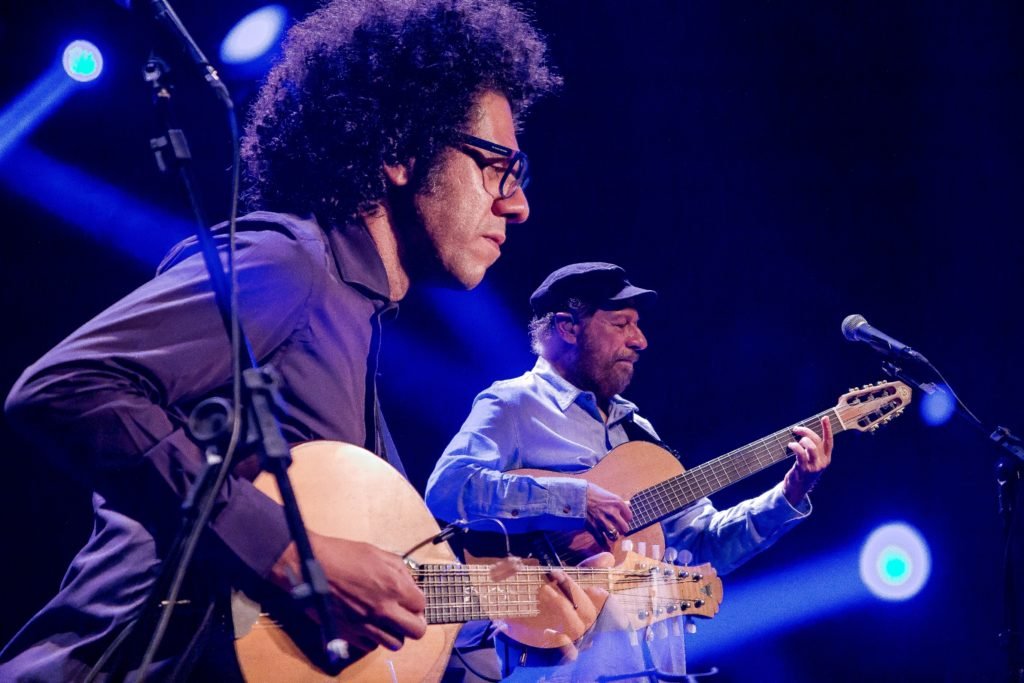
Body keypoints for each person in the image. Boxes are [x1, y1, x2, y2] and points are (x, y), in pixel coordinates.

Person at [0, 1, 562, 679]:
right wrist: (290, 552)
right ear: (399, 153)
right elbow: (66, 386)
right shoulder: (289, 266)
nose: (517, 202)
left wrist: (517, 626)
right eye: (497, 164)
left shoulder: (354, 339)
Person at [425, 262, 834, 681]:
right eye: (621, 324)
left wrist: (789, 494)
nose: (639, 340)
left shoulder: (638, 432)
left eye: (637, 326)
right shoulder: (513, 405)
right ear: (568, 327)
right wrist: (574, 502)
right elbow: (448, 487)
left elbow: (704, 544)